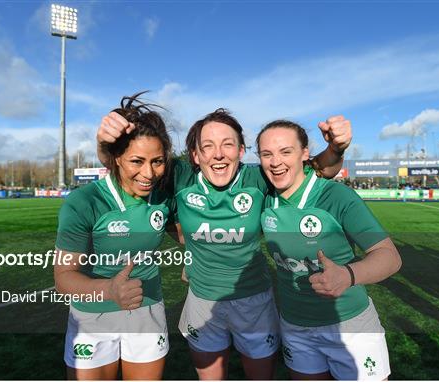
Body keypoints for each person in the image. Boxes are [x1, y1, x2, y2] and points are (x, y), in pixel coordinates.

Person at [97, 103, 351, 380]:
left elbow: (320, 169)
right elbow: (131, 158)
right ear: (195, 155)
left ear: (241, 150)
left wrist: (336, 149)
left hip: (255, 301)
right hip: (202, 301)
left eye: (227, 144)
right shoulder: (182, 178)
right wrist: (104, 142)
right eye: (207, 146)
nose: (218, 154)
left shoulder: (257, 177)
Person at [257, 120, 401, 380]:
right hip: (295, 326)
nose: (275, 161)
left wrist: (348, 275)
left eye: (285, 151)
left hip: (351, 326)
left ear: (304, 154)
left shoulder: (336, 197)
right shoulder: (265, 197)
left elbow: (389, 256)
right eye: (267, 154)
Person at [55, 94, 175, 380]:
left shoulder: (162, 196)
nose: (148, 173)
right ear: (116, 158)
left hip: (147, 309)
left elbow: (185, 234)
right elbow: (63, 277)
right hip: (92, 315)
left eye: (157, 161)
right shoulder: (84, 201)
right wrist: (110, 290)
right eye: (137, 161)